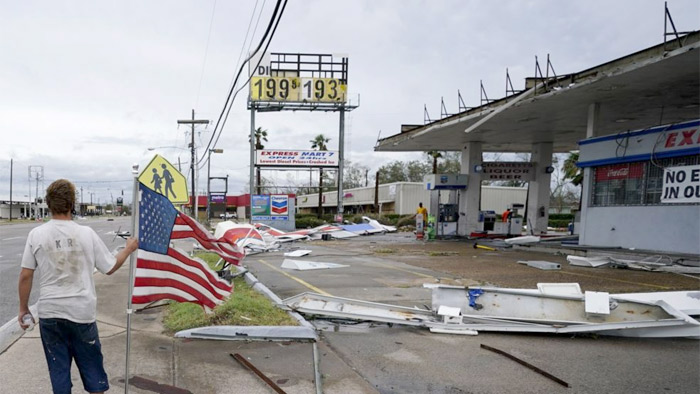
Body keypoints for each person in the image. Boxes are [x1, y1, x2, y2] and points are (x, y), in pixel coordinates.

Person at [18, 179, 138, 394]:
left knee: (59, 371)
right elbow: (109, 267)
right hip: (81, 313)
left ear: (48, 203)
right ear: (73, 203)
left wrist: (23, 308)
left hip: (50, 313)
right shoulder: (86, 234)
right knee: (93, 374)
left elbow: (26, 275)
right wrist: (128, 249)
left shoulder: (36, 235)